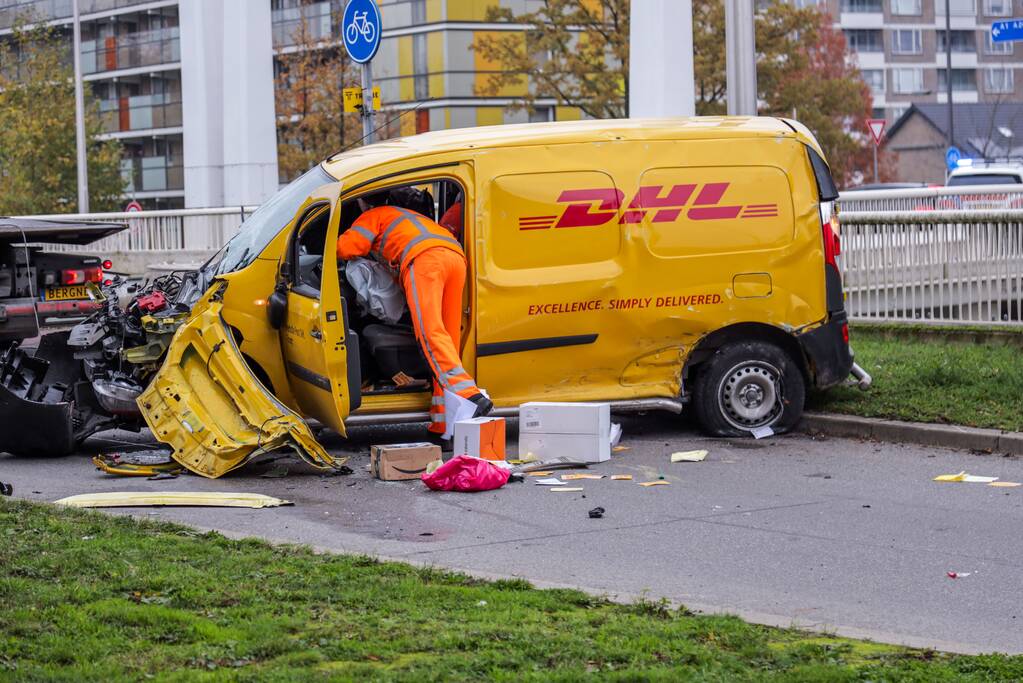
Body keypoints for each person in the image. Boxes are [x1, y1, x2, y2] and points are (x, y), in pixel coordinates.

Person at [337, 188, 492, 441]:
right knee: (447, 344)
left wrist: (329, 242)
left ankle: (470, 395)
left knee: (429, 333)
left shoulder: (373, 215)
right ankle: (444, 429)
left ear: (363, 203)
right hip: (454, 259)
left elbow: (347, 247)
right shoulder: (408, 215)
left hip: (425, 261)